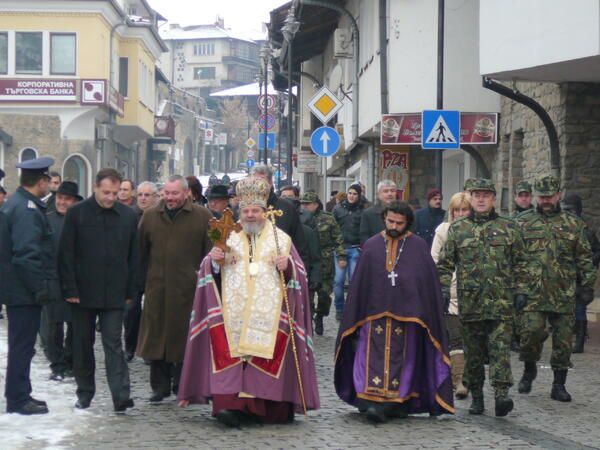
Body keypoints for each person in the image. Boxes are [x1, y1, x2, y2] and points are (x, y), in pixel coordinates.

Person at [177, 177, 320, 427]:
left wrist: (288, 268)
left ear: (265, 211)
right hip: (232, 315)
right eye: (246, 211)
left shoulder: (281, 239)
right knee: (232, 357)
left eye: (255, 210)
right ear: (238, 211)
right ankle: (231, 406)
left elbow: (299, 275)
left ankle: (265, 410)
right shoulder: (227, 236)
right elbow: (208, 272)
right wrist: (214, 262)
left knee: (264, 358)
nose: (250, 215)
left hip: (271, 315)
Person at [334, 201, 454, 423]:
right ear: (384, 218)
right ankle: (370, 401)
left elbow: (424, 281)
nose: (394, 226)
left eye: (399, 223)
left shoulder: (417, 246)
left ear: (407, 223)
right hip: (373, 314)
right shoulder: (371, 245)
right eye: (391, 221)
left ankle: (396, 402)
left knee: (403, 357)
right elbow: (361, 283)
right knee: (371, 355)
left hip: (408, 316)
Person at [437, 179, 527, 417]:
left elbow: (522, 263)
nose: (481, 199)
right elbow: (444, 265)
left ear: (493, 199)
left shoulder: (509, 228)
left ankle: (501, 394)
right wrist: (444, 289)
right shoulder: (458, 229)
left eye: (486, 195)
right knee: (474, 353)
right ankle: (477, 396)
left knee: (500, 350)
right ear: (470, 197)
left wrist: (521, 290)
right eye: (477, 195)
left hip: (501, 302)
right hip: (470, 303)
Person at [59, 168, 137, 412]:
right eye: (106, 192)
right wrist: (69, 288)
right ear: (95, 187)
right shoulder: (76, 213)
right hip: (81, 292)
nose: (111, 197)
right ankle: (85, 393)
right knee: (83, 345)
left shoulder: (127, 216)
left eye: (115, 193)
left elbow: (135, 257)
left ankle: (121, 395)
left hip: (115, 292)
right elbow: (66, 254)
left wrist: (131, 290)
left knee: (114, 343)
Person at [515, 176, 596, 402]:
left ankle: (558, 384)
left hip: (564, 293)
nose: (546, 201)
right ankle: (529, 368)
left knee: (563, 341)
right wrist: (518, 288)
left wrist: (587, 286)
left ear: (558, 195)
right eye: (542, 197)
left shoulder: (573, 224)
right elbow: (515, 258)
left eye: (550, 196)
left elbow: (584, 258)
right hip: (533, 292)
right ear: (536, 197)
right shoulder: (523, 222)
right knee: (531, 334)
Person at [137, 175, 213, 402]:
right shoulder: (150, 216)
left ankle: (183, 385)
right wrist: (140, 284)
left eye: (175, 193)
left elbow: (211, 254)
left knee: (185, 340)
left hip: (188, 290)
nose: (170, 198)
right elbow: (140, 253)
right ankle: (158, 387)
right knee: (156, 338)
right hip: (157, 288)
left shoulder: (203, 216)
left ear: (186, 193)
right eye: (167, 194)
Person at [1, 157, 58, 415]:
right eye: (47, 180)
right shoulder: (27, 209)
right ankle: (18, 399)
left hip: (19, 289)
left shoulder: (19, 204)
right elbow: (26, 255)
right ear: (41, 181)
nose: (49, 185)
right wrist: (39, 288)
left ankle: (20, 393)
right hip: (24, 291)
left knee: (21, 345)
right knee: (23, 345)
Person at [430, 192, 472, 400]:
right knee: (455, 338)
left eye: (465, 210)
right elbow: (435, 259)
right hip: (451, 294)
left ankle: (471, 378)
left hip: (474, 294)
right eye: (457, 210)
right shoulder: (443, 230)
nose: (461, 214)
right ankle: (459, 381)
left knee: (471, 339)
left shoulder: (476, 230)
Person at [45, 182, 82, 381]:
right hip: (53, 280)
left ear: (75, 201)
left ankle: (71, 361)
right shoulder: (47, 220)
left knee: (76, 325)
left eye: (66, 199)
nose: (62, 202)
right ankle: (57, 365)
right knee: (54, 326)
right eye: (59, 198)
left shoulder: (82, 220)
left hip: (77, 281)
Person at [122, 181, 159, 362]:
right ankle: (130, 346)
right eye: (141, 195)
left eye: (147, 195)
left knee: (152, 314)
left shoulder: (159, 217)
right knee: (131, 312)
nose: (143, 199)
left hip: (154, 271)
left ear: (155, 197)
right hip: (134, 272)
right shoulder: (129, 215)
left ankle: (148, 349)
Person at [300, 192, 347, 335]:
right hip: (308, 261)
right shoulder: (300, 218)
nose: (305, 207)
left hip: (324, 260)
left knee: (325, 295)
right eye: (303, 204)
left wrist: (341, 256)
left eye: (308, 204)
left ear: (316, 204)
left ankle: (320, 316)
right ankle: (309, 321)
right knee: (308, 295)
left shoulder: (328, 218)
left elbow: (338, 238)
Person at [562, 194, 600, 353]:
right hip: (564, 277)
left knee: (579, 309)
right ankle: (566, 340)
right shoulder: (561, 230)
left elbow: (598, 251)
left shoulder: (587, 232)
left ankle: (579, 342)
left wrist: (590, 264)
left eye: (571, 211)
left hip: (580, 279)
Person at [251, 165, 308, 264]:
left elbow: (299, 244)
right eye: (254, 181)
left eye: (262, 181)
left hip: (280, 268)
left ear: (270, 183)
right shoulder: (242, 210)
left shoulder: (287, 208)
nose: (258, 185)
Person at [332, 184, 365, 320]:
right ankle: (339, 308)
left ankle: (352, 309)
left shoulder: (363, 210)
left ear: (358, 196)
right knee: (339, 281)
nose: (351, 196)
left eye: (354, 194)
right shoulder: (338, 209)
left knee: (354, 280)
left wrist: (362, 246)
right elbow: (332, 227)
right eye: (350, 193)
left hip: (355, 248)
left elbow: (364, 229)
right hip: (340, 248)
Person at [360, 180, 397, 245]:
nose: (390, 194)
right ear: (378, 194)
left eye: (392, 191)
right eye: (386, 191)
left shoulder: (404, 212)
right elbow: (364, 237)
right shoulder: (368, 214)